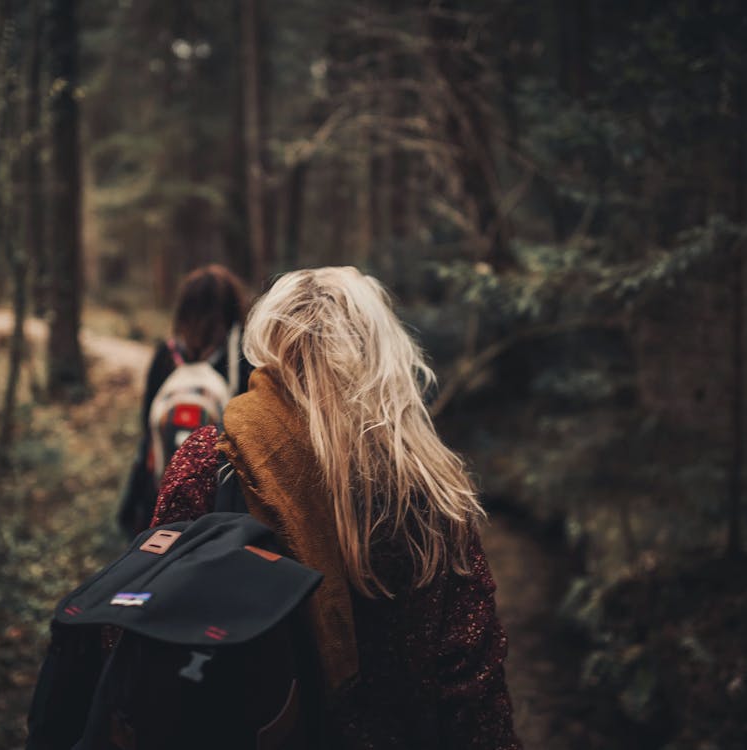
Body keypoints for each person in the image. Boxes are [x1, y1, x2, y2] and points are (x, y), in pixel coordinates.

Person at [151, 267, 522, 749]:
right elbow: (473, 686)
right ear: (381, 353)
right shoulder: (428, 488)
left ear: (269, 344)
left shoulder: (210, 461)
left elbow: (153, 623)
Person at [116, 264, 251, 536]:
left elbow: (147, 425)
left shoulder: (165, 356)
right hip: (220, 504)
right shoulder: (241, 359)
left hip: (161, 494)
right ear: (232, 309)